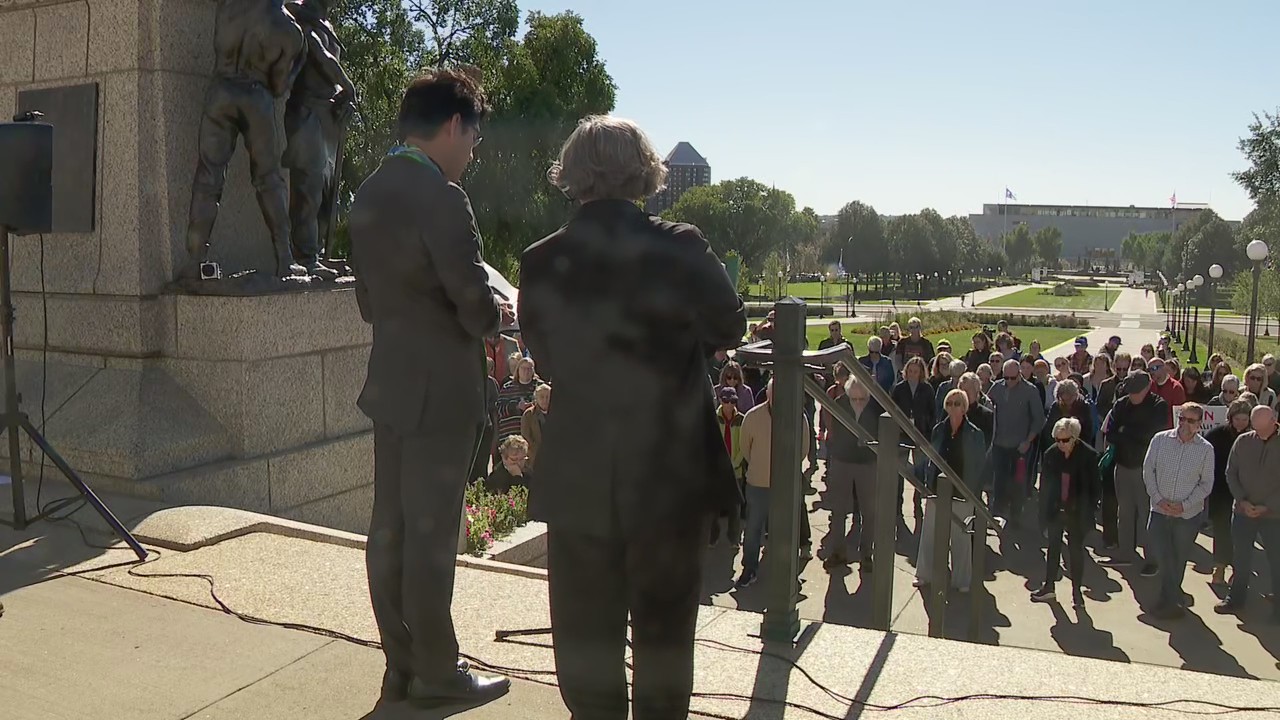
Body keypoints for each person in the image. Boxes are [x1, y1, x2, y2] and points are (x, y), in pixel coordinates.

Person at [517, 115, 746, 720]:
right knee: (667, 644)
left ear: (573, 177)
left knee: (585, 644)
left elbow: (545, 359)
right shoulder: (681, 245)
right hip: (671, 474)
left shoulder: (541, 261)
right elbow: (731, 325)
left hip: (581, 475)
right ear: (645, 173)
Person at [350, 69, 510, 707]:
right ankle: (439, 673)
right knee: (432, 537)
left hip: (390, 381)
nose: (471, 155)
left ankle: (401, 663)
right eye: (472, 140)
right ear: (452, 125)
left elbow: (366, 302)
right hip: (441, 391)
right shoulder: (441, 196)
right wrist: (498, 312)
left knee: (388, 529)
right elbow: (473, 305)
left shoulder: (369, 192)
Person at [1142, 402, 1215, 620]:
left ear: (1199, 424)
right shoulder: (1160, 440)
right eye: (1181, 418)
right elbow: (1148, 470)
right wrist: (1158, 499)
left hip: (1187, 516)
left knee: (1179, 559)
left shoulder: (1205, 450)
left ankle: (1169, 602)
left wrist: (1184, 505)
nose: (1183, 423)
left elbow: (1206, 484)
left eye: (1190, 420)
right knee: (1163, 558)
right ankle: (1172, 599)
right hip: (1159, 510)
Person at [738, 380, 812, 588]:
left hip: (785, 485)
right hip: (758, 484)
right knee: (752, 530)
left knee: (786, 533)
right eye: (774, 394)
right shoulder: (752, 417)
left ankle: (788, 575)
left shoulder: (798, 416)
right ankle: (749, 569)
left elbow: (803, 448)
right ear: (768, 394)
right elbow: (745, 448)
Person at [914, 389, 987, 593]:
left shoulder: (975, 434)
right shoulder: (939, 429)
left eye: (957, 403)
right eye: (950, 403)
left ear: (964, 408)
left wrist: (974, 493)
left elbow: (980, 465)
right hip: (938, 490)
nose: (953, 407)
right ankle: (924, 574)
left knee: (960, 538)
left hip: (963, 491)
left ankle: (962, 580)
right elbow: (930, 459)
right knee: (929, 534)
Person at [1101, 371, 1168, 572]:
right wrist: (1129, 433)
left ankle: (1152, 559)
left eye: (1136, 392)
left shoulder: (1158, 405)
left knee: (1147, 513)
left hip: (1146, 468)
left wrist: (1125, 431)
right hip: (1122, 465)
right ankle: (1125, 553)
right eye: (1130, 392)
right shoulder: (1121, 404)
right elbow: (1111, 433)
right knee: (1125, 512)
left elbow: (1151, 435)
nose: (1133, 396)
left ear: (1147, 388)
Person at [1217, 405, 1280, 621]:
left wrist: (1269, 506)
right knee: (1241, 558)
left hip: (1274, 516)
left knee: (1276, 560)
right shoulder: (1243, 442)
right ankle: (1235, 599)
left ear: (1274, 421)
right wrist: (1242, 500)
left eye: (1264, 429)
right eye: (1256, 428)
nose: (1259, 433)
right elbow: (1230, 472)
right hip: (1243, 512)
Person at [1032, 417, 1100, 608]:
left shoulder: (1088, 456)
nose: (1061, 444)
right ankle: (1049, 586)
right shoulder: (1051, 454)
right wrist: (1043, 515)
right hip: (1056, 510)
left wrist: (1088, 510)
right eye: (1057, 440)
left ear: (1075, 437)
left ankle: (1076, 590)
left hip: (1077, 512)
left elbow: (1095, 488)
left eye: (1065, 440)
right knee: (1053, 548)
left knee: (1075, 551)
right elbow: (1044, 487)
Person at [821, 375, 881, 570]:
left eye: (861, 399)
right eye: (853, 399)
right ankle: (838, 551)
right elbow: (833, 429)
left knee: (869, 512)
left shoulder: (875, 407)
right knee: (838, 510)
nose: (857, 403)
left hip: (867, 464)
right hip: (842, 461)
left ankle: (867, 554)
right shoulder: (839, 403)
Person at [987, 359, 1045, 528]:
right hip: (999, 445)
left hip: (1020, 447)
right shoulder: (997, 388)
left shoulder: (1030, 391)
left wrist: (1028, 440)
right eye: (1006, 378)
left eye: (1013, 378)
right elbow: (987, 408)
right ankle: (997, 515)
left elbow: (1039, 419)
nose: (1009, 382)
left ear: (1020, 374)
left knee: (1018, 482)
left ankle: (1016, 516)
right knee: (999, 481)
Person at [1205, 400, 1253, 586]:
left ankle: (1238, 570)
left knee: (1242, 533)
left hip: (1245, 492)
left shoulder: (1253, 437)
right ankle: (1220, 566)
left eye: (1244, 419)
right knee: (1222, 530)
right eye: (1237, 418)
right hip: (1221, 491)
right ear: (1230, 418)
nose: (1240, 422)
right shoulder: (1217, 435)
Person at [892, 357, 936, 522]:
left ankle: (917, 503)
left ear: (921, 373)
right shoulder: (899, 388)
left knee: (919, 472)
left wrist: (928, 435)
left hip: (920, 435)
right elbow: (892, 408)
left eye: (915, 371)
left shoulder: (927, 389)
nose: (912, 374)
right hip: (902, 435)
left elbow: (932, 413)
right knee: (900, 471)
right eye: (910, 371)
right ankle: (897, 506)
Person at [711, 386, 746, 548]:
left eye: (732, 401)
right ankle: (713, 537)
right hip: (717, 471)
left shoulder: (741, 420)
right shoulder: (713, 419)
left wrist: (735, 462)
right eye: (726, 401)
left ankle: (733, 539)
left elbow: (744, 445)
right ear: (721, 400)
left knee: (735, 508)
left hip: (736, 470)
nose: (729, 404)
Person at [520, 383, 551, 471]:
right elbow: (526, 437)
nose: (545, 400)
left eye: (547, 397)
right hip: (534, 459)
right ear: (536, 399)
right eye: (541, 397)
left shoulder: (556, 414)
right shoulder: (529, 414)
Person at [1147, 358, 1184, 428]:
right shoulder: (1148, 386)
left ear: (1164, 368)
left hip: (1168, 431)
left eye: (1154, 368)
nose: (1151, 372)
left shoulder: (1176, 388)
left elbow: (1178, 415)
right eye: (1149, 370)